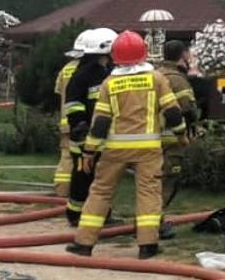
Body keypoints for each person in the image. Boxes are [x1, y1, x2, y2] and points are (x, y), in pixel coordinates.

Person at [68, 31, 183, 260]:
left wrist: (89, 151)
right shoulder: (156, 79)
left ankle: (84, 243)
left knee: (100, 193)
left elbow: (100, 122)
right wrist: (181, 135)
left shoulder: (109, 83)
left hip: (115, 150)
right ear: (144, 53)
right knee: (148, 194)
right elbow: (172, 112)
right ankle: (147, 245)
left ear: (115, 56)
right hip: (148, 149)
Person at [62, 28, 116, 226]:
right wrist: (81, 129)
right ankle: (75, 213)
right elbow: (73, 105)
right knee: (83, 177)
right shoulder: (83, 75)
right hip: (85, 137)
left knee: (101, 179)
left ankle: (103, 214)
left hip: (102, 136)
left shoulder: (107, 72)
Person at [153, 39, 199, 240]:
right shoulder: (177, 79)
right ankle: (154, 223)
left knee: (151, 182)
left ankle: (150, 220)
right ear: (182, 56)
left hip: (151, 138)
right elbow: (187, 109)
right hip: (172, 139)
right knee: (168, 182)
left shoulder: (154, 74)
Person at [52, 33, 86, 198]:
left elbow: (59, 91)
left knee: (66, 157)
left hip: (66, 120)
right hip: (83, 120)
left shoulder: (65, 69)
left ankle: (62, 191)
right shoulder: (89, 70)